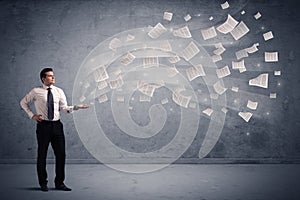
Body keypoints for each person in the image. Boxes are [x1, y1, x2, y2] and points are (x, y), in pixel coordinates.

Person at [20, 68, 89, 192]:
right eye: (50, 76)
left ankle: (60, 183)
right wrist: (32, 116)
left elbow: (64, 108)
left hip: (57, 126)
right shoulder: (36, 91)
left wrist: (76, 107)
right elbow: (23, 103)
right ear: (43, 78)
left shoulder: (59, 91)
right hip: (43, 126)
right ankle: (43, 183)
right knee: (42, 155)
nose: (53, 78)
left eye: (53, 76)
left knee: (61, 155)